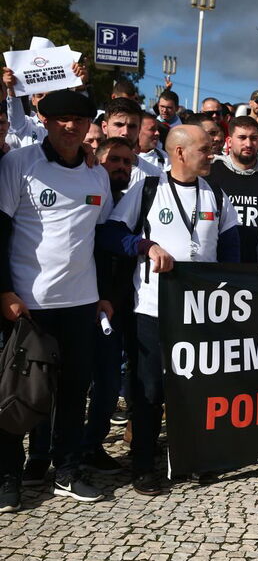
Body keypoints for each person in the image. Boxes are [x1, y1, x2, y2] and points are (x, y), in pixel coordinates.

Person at [97, 125, 240, 495]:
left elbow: (231, 250)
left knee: (196, 387)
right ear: (179, 152)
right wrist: (146, 246)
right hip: (152, 309)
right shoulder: (148, 189)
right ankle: (143, 464)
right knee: (148, 389)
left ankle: (192, 458)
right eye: (205, 149)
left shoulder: (216, 194)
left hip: (201, 312)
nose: (212, 155)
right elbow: (110, 234)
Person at [0, 90, 114, 512]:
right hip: (28, 304)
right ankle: (8, 475)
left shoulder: (97, 174)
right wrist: (4, 290)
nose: (70, 126)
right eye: (61, 119)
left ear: (89, 126)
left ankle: (67, 470)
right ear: (45, 121)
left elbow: (101, 238)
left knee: (73, 391)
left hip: (81, 303)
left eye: (79, 120)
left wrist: (103, 295)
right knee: (18, 393)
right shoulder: (19, 163)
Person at [81, 137, 136, 475]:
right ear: (98, 162)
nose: (120, 167)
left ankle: (91, 446)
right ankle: (51, 452)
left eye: (127, 162)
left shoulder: (135, 200)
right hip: (82, 297)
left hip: (119, 303)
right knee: (73, 382)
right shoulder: (86, 193)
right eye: (114, 160)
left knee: (108, 382)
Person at [205, 116, 258, 263]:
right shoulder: (210, 176)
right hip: (215, 267)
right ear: (229, 141)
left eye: (253, 138)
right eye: (242, 138)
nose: (248, 144)